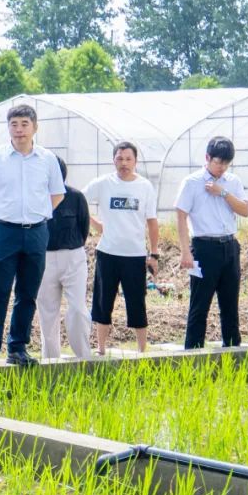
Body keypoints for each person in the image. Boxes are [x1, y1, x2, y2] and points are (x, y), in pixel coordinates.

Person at [0, 104, 65, 367]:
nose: (19, 129)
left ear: (35, 127)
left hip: (36, 232)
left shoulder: (47, 159)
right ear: (8, 127)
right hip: (5, 232)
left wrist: (39, 212)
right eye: (14, 124)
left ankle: (18, 347)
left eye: (24, 123)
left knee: (27, 293)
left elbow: (57, 194)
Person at [83, 142, 160, 355]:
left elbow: (152, 222)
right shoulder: (103, 183)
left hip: (135, 254)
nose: (124, 163)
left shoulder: (144, 187)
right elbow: (79, 201)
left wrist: (153, 254)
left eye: (128, 159)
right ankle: (100, 348)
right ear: (113, 160)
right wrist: (95, 223)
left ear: (135, 161)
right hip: (107, 252)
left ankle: (142, 349)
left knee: (137, 301)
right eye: (120, 158)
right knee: (102, 301)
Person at [175, 136, 248, 349]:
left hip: (229, 246)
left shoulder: (232, 181)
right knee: (200, 305)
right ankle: (192, 354)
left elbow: (245, 210)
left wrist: (222, 192)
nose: (222, 168)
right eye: (218, 162)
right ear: (207, 158)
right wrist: (185, 252)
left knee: (230, 305)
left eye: (226, 163)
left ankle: (234, 352)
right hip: (204, 247)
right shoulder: (192, 182)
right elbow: (180, 215)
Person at [37, 156, 92, 359]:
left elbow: (83, 227)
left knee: (78, 308)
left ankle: (83, 357)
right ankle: (51, 360)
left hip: (73, 257)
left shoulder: (76, 197)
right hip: (44, 258)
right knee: (47, 312)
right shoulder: (37, 196)